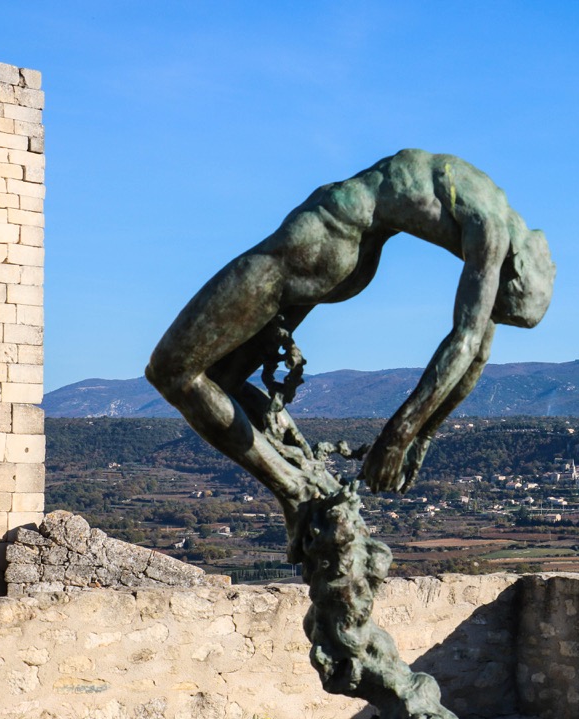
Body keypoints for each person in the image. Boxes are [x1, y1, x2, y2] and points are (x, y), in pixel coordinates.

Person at [147, 149, 555, 508]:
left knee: (172, 371)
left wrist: (405, 438)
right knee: (220, 378)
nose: (491, 316)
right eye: (497, 308)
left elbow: (471, 346)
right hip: (345, 252)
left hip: (327, 237)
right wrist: (412, 436)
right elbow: (474, 348)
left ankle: (298, 492)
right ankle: (306, 473)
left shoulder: (493, 216)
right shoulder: (493, 231)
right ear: (518, 270)